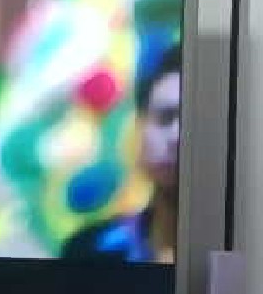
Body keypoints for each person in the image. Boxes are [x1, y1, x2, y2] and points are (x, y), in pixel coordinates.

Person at [62, 43, 182, 262]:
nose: (177, 136)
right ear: (139, 128)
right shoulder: (88, 250)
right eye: (165, 118)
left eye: (194, 121)